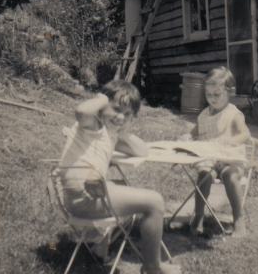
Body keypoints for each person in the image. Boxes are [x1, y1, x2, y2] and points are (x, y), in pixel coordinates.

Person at [59, 80, 181, 274]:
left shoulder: (108, 134)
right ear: (102, 107)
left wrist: (122, 131)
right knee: (155, 202)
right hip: (85, 198)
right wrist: (101, 98)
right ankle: (152, 266)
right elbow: (82, 111)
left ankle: (99, 247)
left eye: (127, 114)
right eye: (116, 109)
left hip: (78, 195)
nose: (120, 117)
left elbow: (142, 150)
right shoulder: (93, 124)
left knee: (119, 183)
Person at [179, 67, 251, 238]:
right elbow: (195, 132)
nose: (211, 98)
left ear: (231, 92)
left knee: (229, 176)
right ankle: (198, 216)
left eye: (216, 94)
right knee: (203, 175)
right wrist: (187, 136)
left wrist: (231, 140)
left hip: (230, 159)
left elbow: (246, 134)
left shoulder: (233, 114)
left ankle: (238, 217)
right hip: (210, 159)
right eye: (208, 94)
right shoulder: (204, 115)